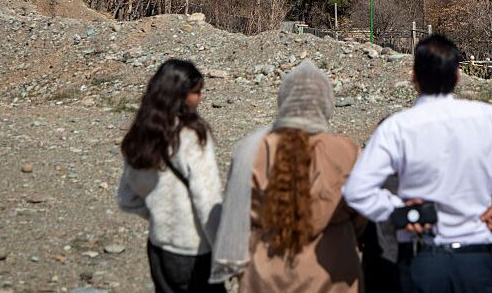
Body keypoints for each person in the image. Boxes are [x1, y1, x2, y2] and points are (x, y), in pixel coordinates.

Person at [343, 34, 492, 293]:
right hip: (476, 261)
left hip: (421, 258)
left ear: (414, 78)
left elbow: (356, 190)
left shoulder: (398, 127)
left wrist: (397, 211)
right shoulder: (490, 118)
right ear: (458, 76)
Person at [211, 60, 363, 292]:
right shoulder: (347, 151)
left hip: (265, 275)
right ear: (326, 102)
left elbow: (237, 211)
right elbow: (363, 213)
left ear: (283, 100)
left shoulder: (251, 149)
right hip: (330, 273)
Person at [117, 59, 224, 293]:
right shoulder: (193, 136)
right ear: (180, 95)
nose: (201, 98)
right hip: (195, 252)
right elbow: (207, 200)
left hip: (158, 247)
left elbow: (127, 199)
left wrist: (160, 214)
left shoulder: (140, 134)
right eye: (197, 92)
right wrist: (223, 250)